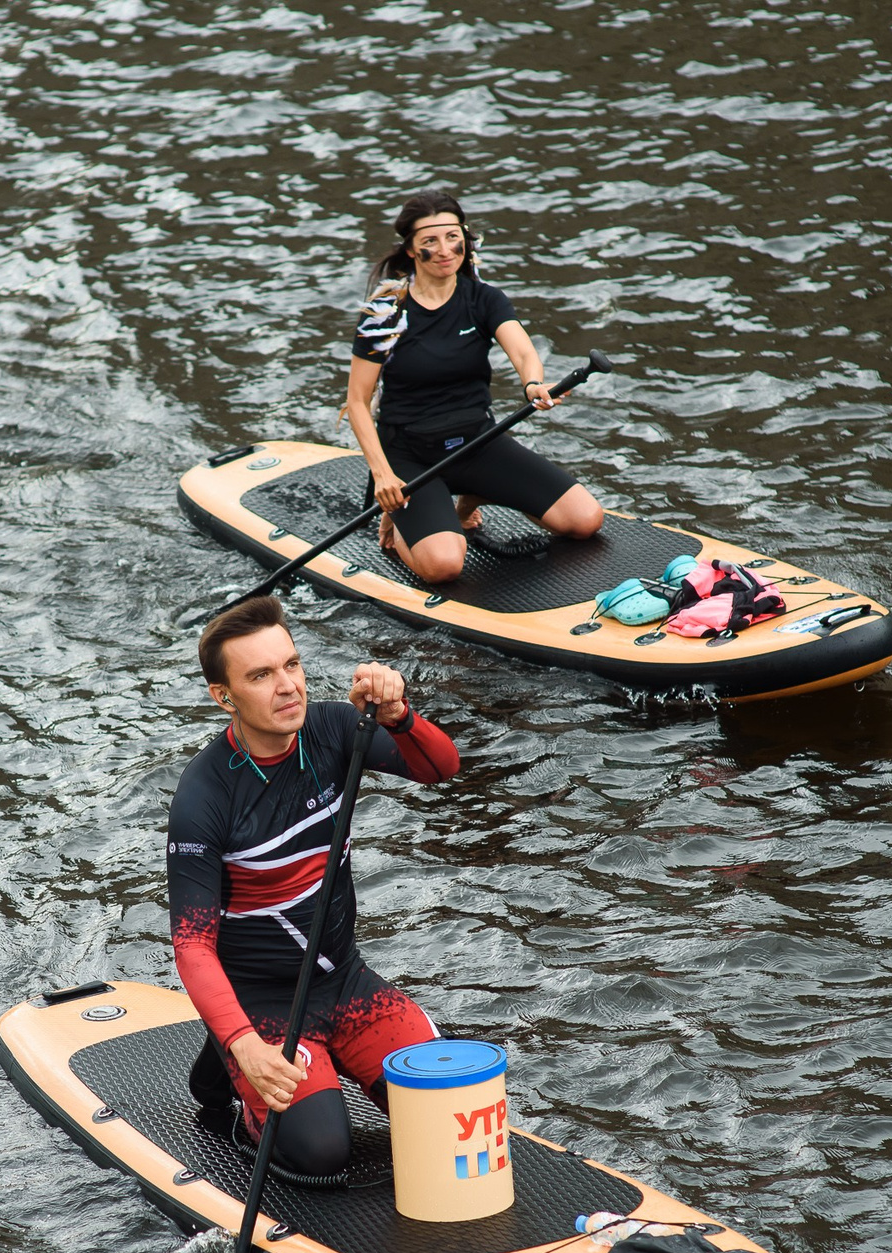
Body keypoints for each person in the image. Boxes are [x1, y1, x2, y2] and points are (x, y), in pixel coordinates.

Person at [167, 598, 461, 1178]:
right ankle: (230, 1065)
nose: (287, 687)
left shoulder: (331, 729)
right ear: (223, 697)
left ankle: (222, 1051)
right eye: (260, 675)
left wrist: (400, 716)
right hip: (266, 1000)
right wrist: (247, 1044)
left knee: (445, 1111)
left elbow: (441, 768)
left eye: (292, 665)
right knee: (324, 1155)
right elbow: (192, 945)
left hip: (344, 979)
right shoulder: (203, 798)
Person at [345, 189, 606, 586]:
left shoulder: (482, 298)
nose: (446, 249)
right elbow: (358, 402)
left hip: (476, 441)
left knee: (585, 520)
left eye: (453, 237)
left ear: (465, 238)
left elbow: (521, 350)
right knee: (445, 565)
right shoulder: (386, 313)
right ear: (412, 251)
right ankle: (400, 527)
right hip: (411, 454)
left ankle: (471, 495)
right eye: (430, 241)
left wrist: (533, 382)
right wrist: (383, 477)